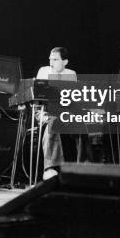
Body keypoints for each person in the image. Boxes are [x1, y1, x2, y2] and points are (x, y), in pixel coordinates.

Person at [36, 47, 84, 180]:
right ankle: (50, 168)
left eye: (55, 59)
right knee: (54, 122)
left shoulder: (71, 74)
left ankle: (83, 167)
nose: (51, 62)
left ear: (65, 61)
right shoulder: (44, 71)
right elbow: (39, 96)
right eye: (50, 59)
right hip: (45, 111)